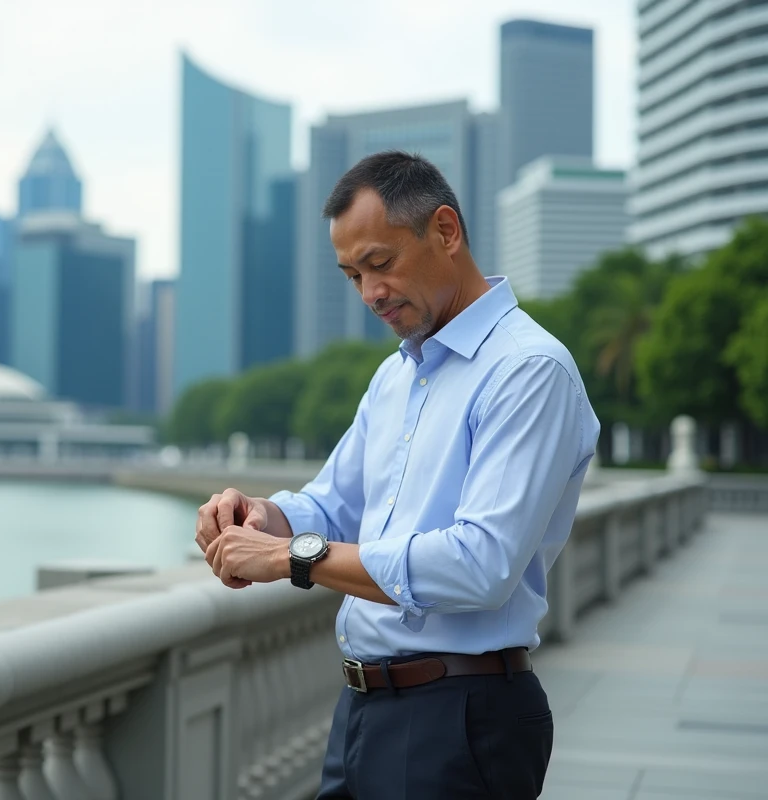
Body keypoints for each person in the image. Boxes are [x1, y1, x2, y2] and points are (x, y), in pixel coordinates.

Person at [195, 150, 600, 799]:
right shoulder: (395, 376)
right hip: (360, 711)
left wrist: (293, 557)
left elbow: (481, 564)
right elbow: (333, 504)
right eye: (353, 275)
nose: (370, 294)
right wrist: (264, 517)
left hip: (462, 716)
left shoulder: (528, 370)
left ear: (445, 230)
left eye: (381, 263)